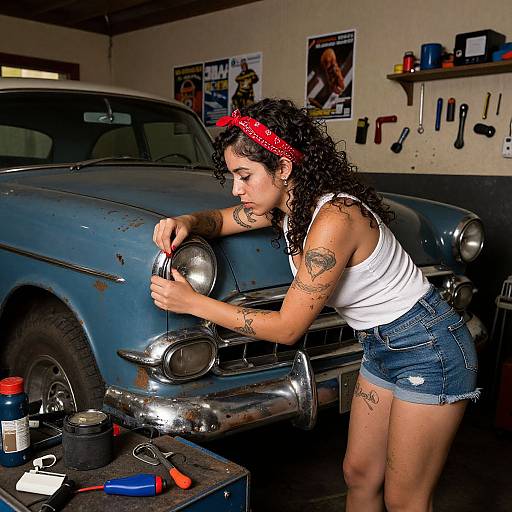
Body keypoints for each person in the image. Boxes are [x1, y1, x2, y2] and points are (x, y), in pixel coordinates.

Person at [151, 98, 480, 512]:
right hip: (381, 346)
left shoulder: (333, 219)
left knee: (406, 500)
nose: (237, 188)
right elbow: (219, 219)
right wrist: (186, 222)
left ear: (283, 168)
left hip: (429, 348)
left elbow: (289, 328)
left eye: (245, 175)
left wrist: (194, 303)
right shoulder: (289, 208)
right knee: (359, 474)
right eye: (234, 176)